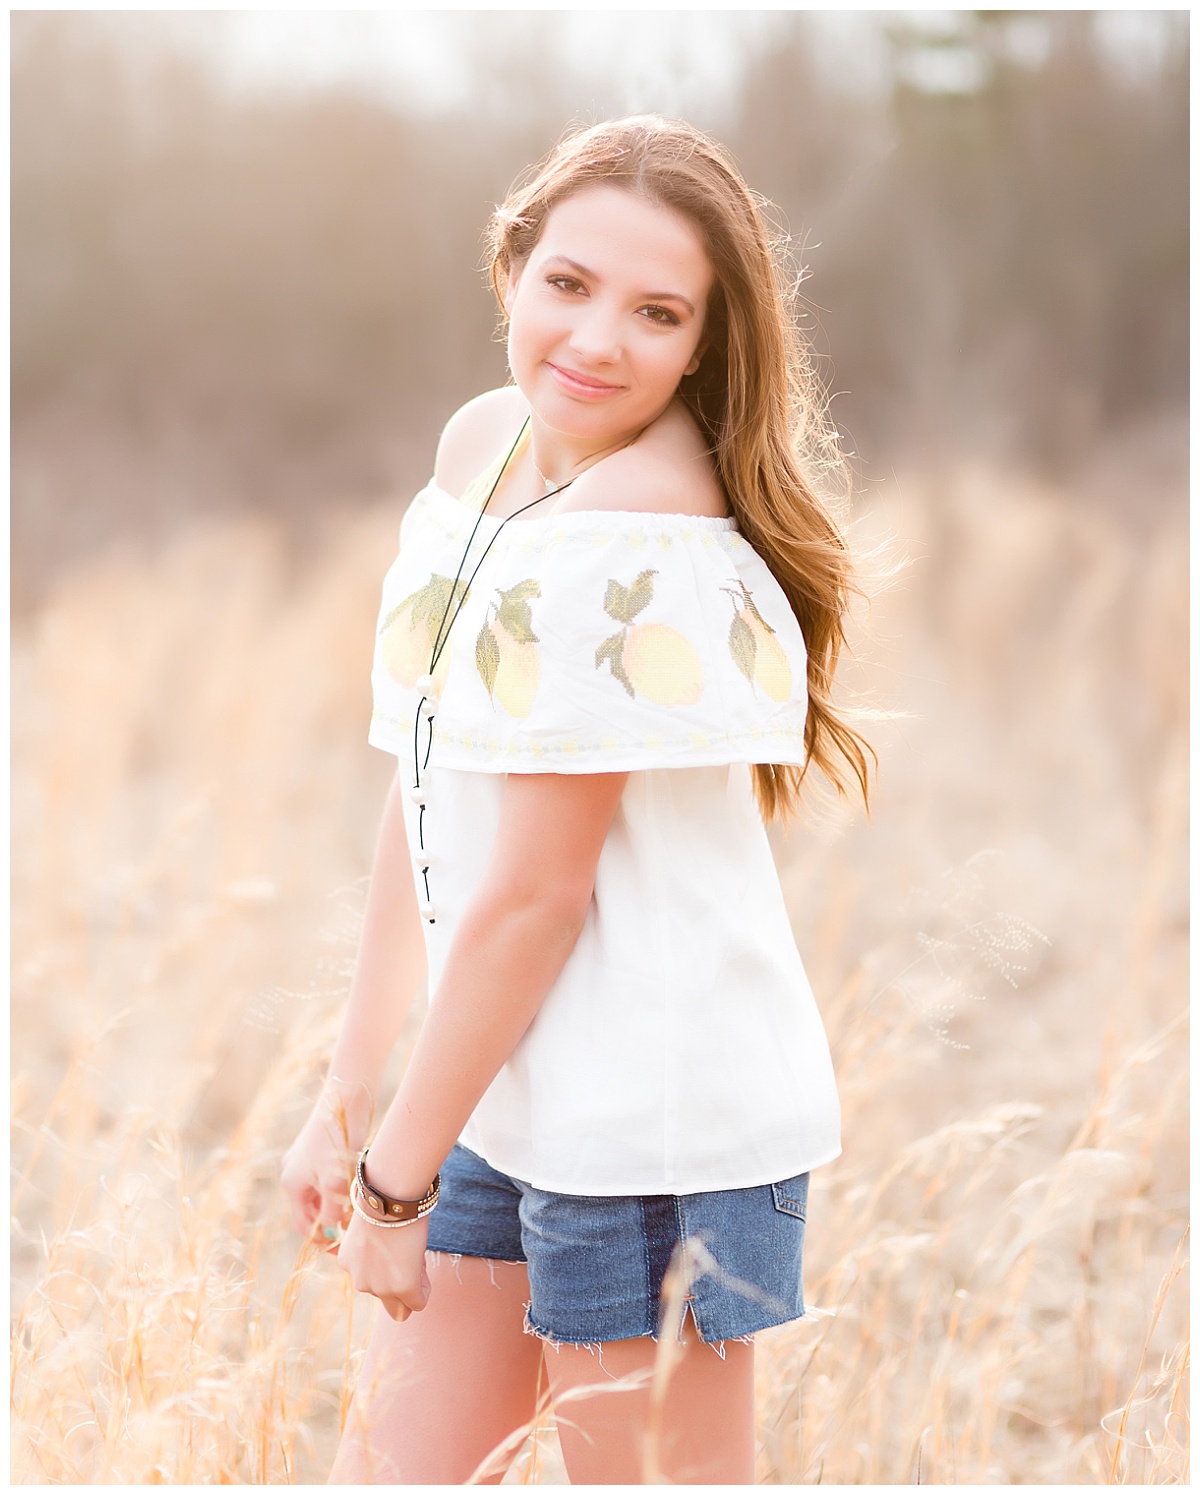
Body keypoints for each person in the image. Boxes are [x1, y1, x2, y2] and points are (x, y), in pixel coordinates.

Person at [280, 114, 872, 1485]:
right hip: (499, 1088)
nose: (597, 341)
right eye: (569, 284)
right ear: (511, 266)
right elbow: (425, 787)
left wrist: (395, 1183)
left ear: (703, 345)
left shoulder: (640, 530)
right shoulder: (484, 451)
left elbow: (538, 900)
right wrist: (353, 1091)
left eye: (657, 313)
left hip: (653, 1122)